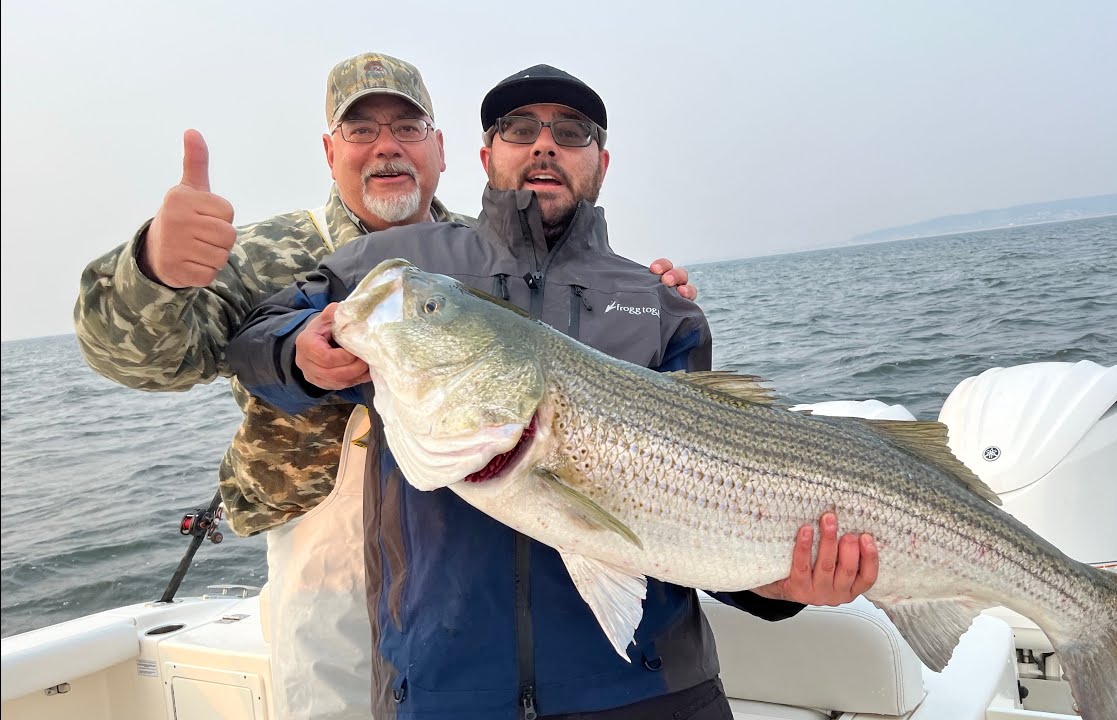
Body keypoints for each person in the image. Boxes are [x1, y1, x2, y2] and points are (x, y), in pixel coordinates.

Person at [228, 63, 878, 720]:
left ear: (601, 163)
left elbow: (703, 512)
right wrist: (298, 353)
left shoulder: (661, 306)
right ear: (486, 155)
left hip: (654, 693)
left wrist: (781, 587)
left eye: (571, 132)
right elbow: (256, 339)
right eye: (519, 128)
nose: (544, 144)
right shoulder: (400, 268)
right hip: (447, 693)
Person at [71, 52, 696, 720]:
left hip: (460, 558)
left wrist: (651, 298)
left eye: (407, 127)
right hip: (326, 566)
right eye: (361, 130)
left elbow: (576, 360)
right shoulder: (265, 252)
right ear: (329, 149)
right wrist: (156, 270)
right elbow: (150, 361)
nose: (386, 147)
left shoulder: (488, 253)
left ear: (444, 149)